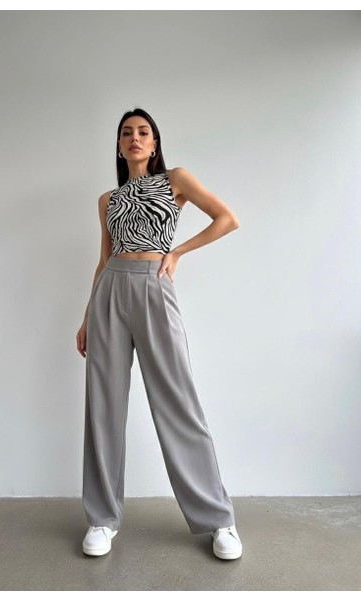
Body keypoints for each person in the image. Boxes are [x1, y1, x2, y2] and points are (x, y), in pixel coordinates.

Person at [76, 107, 243, 561]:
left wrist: (178, 252)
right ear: (119, 145)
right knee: (104, 405)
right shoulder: (108, 200)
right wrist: (88, 316)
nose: (134, 137)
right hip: (110, 291)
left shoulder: (175, 180)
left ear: (154, 143)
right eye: (126, 133)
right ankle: (102, 518)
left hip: (153, 285)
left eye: (143, 132)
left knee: (177, 400)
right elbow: (103, 260)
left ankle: (218, 518)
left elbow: (226, 218)